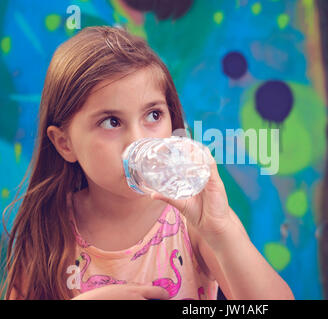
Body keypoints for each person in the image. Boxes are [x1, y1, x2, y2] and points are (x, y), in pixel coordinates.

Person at [1, 26, 294, 300]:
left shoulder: (194, 222)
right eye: (111, 121)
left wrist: (222, 232)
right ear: (65, 143)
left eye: (153, 115)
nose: (138, 141)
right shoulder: (47, 229)